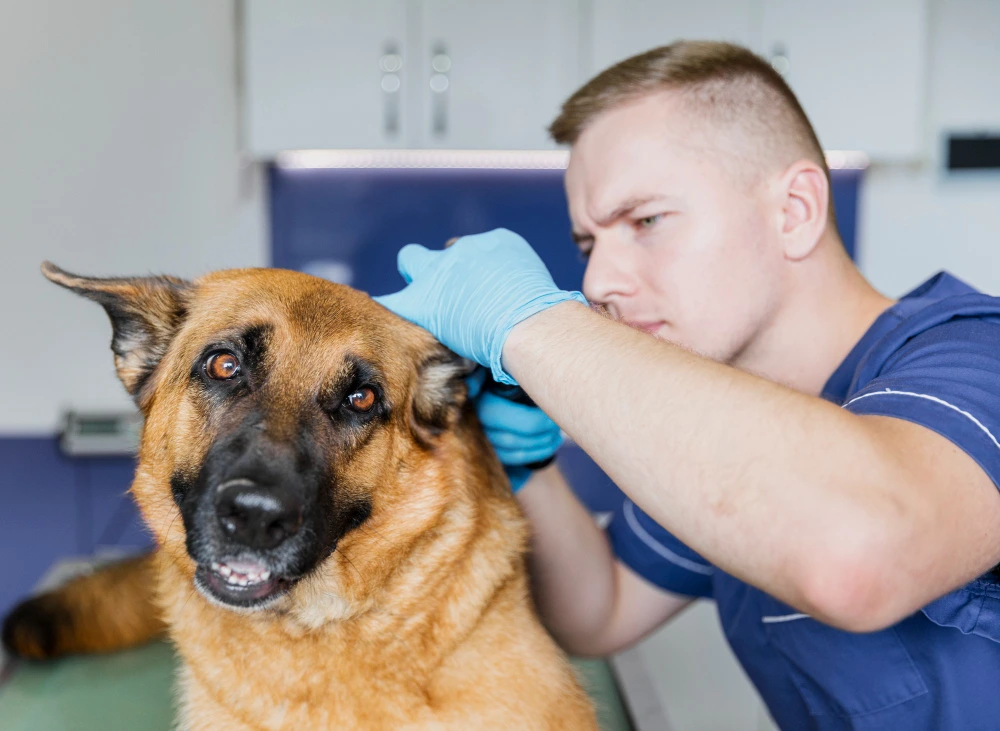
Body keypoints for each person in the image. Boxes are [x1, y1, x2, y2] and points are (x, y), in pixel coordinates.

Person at [375, 41, 1000, 729]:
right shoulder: (712, 422)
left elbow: (858, 555)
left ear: (794, 210)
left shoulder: (974, 357)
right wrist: (530, 472)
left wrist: (529, 323)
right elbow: (601, 608)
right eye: (588, 244)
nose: (596, 282)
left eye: (645, 221)